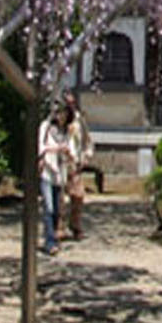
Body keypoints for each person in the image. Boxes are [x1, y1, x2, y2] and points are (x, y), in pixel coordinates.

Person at [37, 103, 72, 256]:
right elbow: (41, 147)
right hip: (47, 171)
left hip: (60, 173)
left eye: (64, 113)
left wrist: (69, 154)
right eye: (59, 113)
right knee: (49, 207)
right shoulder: (45, 127)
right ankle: (49, 242)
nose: (61, 116)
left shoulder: (66, 132)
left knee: (57, 210)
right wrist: (57, 149)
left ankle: (53, 238)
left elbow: (71, 150)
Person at [63, 91, 94, 241]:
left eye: (72, 102)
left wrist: (87, 155)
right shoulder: (58, 120)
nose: (70, 105)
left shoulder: (79, 119)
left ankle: (75, 224)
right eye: (67, 103)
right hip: (61, 162)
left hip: (75, 163)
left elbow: (87, 139)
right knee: (61, 197)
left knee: (78, 195)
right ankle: (59, 227)